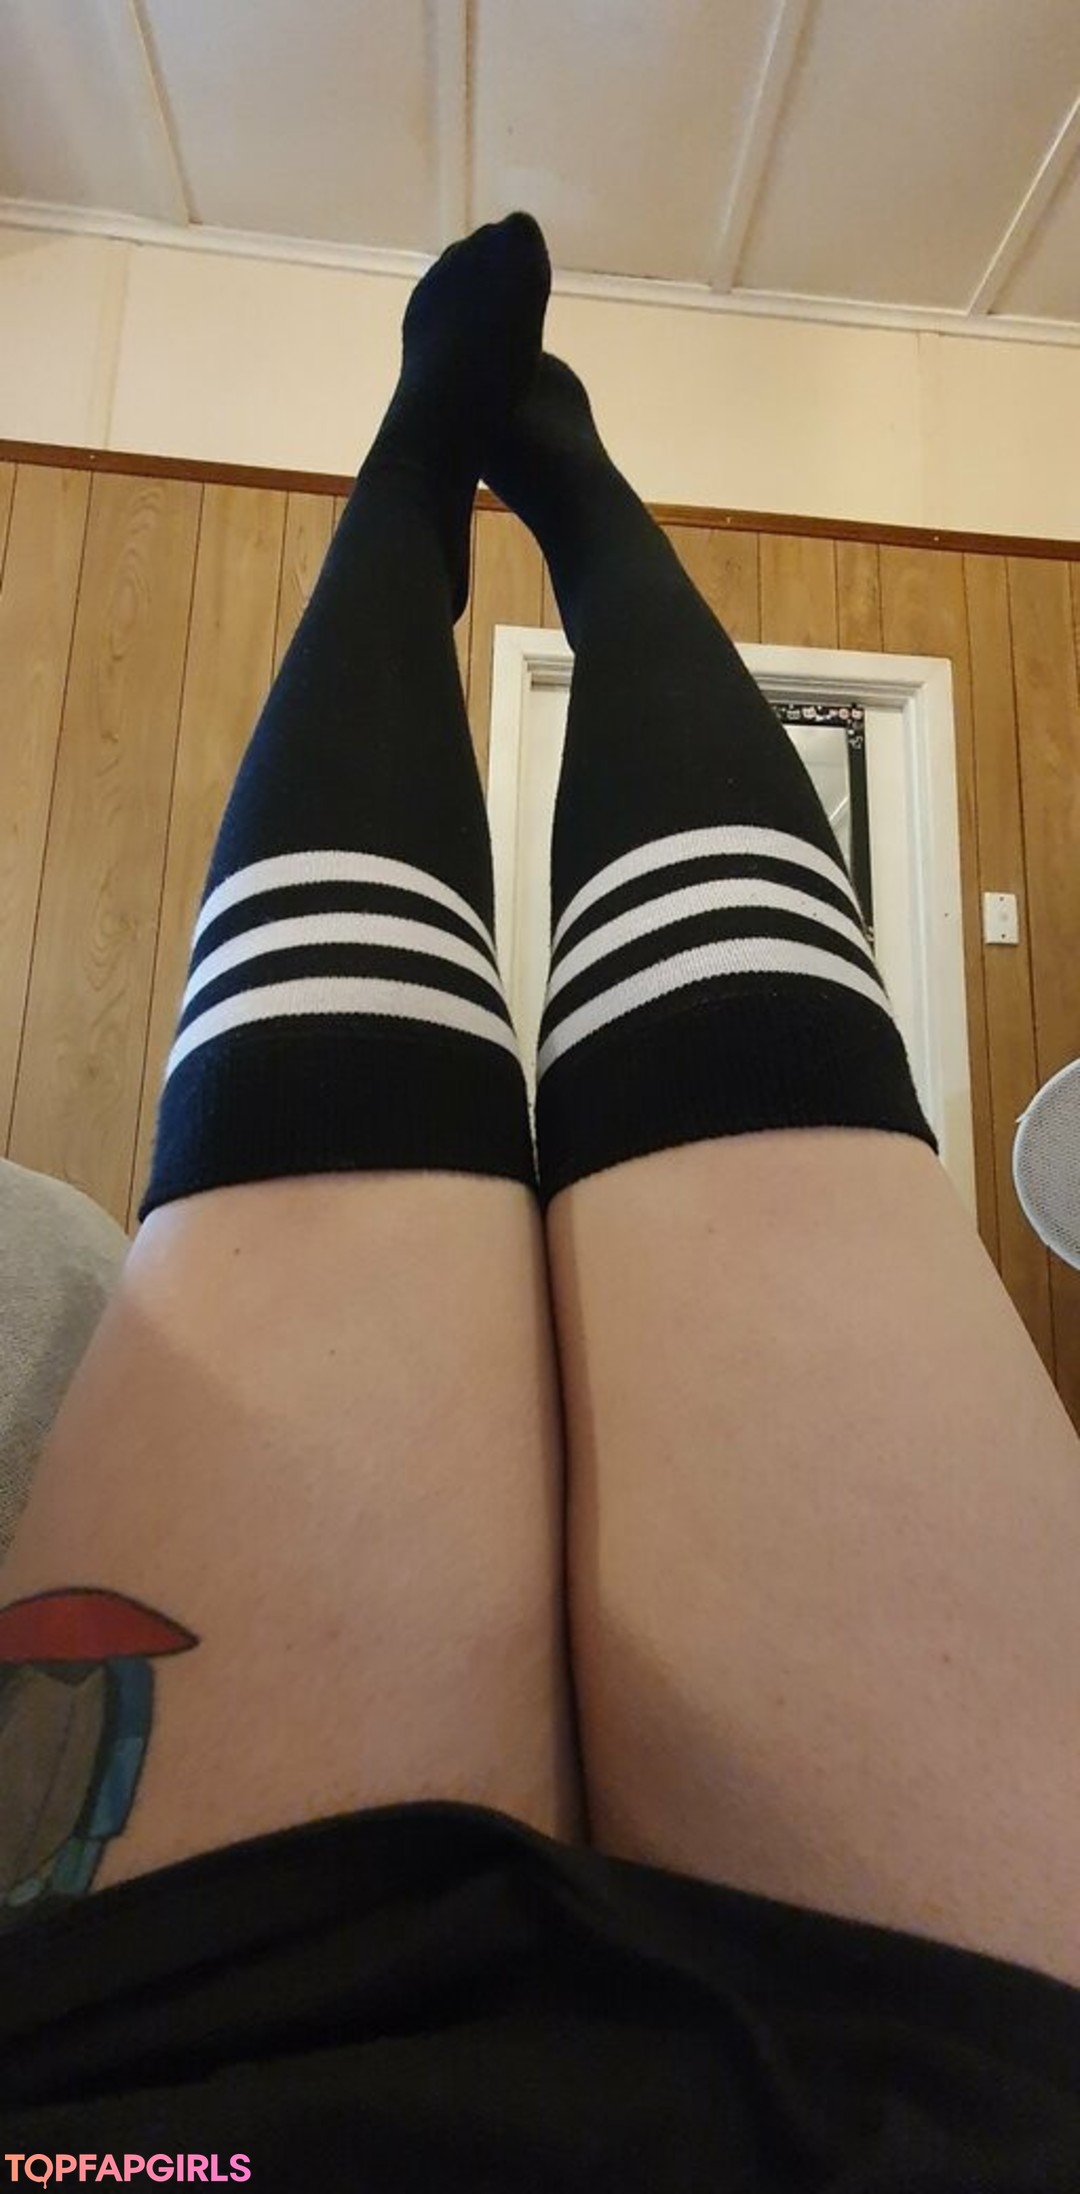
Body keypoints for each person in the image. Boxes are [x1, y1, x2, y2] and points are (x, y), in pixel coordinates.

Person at [2, 213, 1079, 2190]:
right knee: (763, 1124)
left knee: (323, 1144)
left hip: (174, 2070)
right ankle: (558, 487)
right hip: (977, 2083)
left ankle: (428, 478)